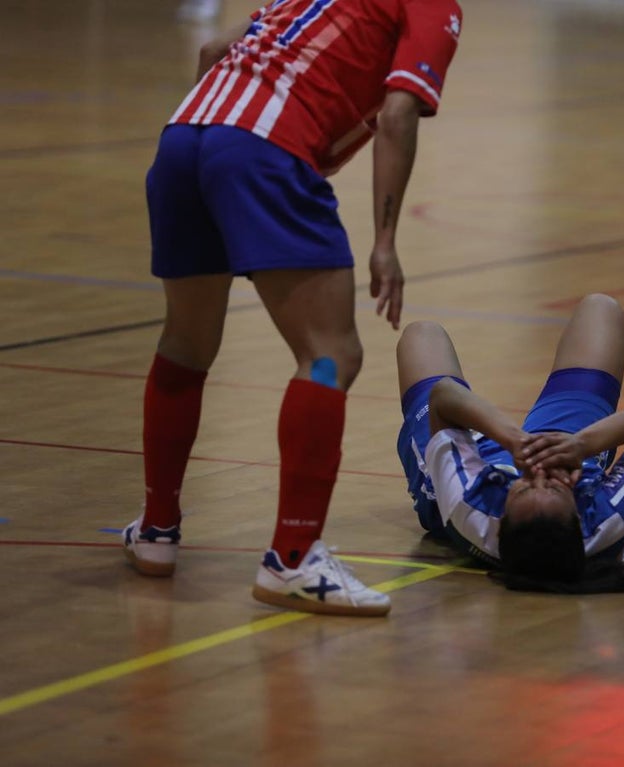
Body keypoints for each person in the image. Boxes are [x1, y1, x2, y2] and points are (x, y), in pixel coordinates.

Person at [121, 0, 463, 617]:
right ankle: (292, 558)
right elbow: (397, 113)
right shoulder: (433, 6)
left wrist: (214, 157)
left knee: (187, 345)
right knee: (331, 356)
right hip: (263, 150)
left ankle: (156, 531)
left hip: (186, 135)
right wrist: (385, 241)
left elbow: (210, 52)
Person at [395, 294, 624, 593]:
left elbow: (445, 395)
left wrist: (514, 440)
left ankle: (523, 478)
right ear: (581, 515)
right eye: (555, 487)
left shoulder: (471, 508)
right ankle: (554, 473)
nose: (539, 473)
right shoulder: (606, 522)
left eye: (525, 487)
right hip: (566, 452)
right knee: (601, 308)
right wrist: (582, 444)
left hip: (470, 469)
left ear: (500, 522)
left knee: (422, 334)